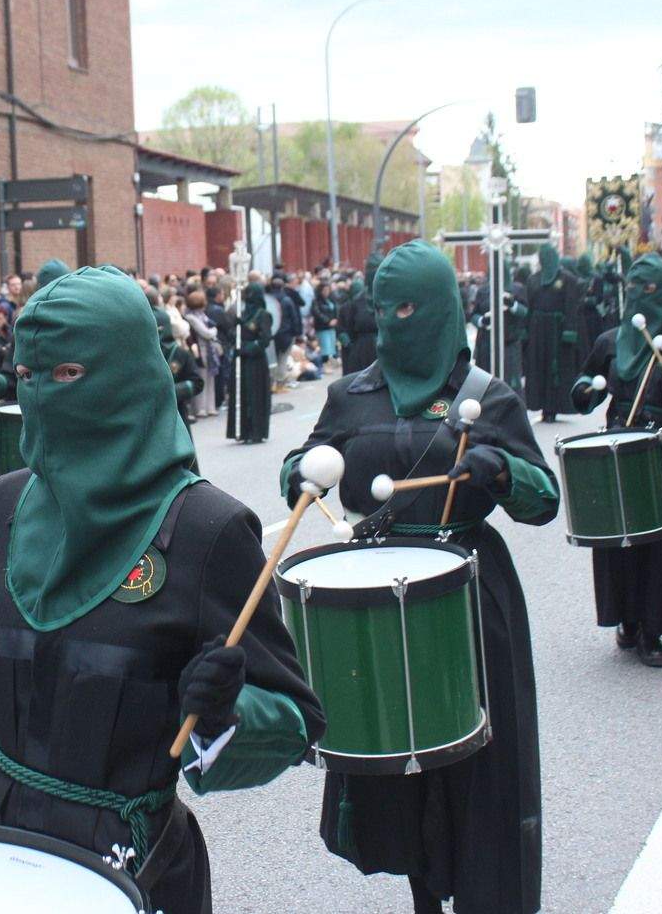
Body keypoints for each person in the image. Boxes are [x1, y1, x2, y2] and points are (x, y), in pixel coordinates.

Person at [0, 266, 324, 914]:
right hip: (0, 839)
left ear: (127, 376)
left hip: (135, 861)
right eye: (26, 376)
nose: (42, 395)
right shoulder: (7, 503)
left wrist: (225, 714)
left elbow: (294, 719)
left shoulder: (209, 529)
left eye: (67, 375)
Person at [282, 241, 556, 914]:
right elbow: (305, 460)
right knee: (397, 768)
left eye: (405, 308)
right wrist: (299, 470)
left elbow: (543, 498)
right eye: (382, 310)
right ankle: (423, 896)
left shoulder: (485, 396)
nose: (391, 324)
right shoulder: (352, 394)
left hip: (468, 595)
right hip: (373, 597)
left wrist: (501, 470)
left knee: (478, 769)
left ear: (435, 309)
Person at [572, 253, 662, 668]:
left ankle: (655, 628)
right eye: (634, 289)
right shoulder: (610, 342)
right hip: (621, 445)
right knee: (621, 539)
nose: (640, 297)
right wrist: (586, 391)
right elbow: (585, 384)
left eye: (650, 289)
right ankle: (626, 618)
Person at [522, 243, 584, 422]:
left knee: (555, 369)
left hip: (557, 332)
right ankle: (541, 405)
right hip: (537, 331)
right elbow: (529, 307)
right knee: (538, 367)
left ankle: (554, 407)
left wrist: (569, 331)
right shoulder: (533, 280)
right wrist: (525, 331)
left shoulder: (567, 279)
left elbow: (571, 306)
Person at [226, 282, 273, 444]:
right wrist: (235, 329)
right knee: (241, 393)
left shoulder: (263, 315)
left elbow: (264, 340)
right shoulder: (243, 313)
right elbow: (233, 335)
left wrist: (247, 349)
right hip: (240, 361)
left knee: (255, 395)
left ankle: (256, 431)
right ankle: (242, 430)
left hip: (255, 362)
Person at [339, 253, 382, 373]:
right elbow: (345, 329)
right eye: (371, 270)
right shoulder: (356, 302)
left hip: (387, 351)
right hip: (362, 353)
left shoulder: (392, 299)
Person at [184, 290, 220, 418]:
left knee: (210, 378)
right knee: (202, 378)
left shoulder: (202, 315)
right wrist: (214, 330)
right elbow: (206, 333)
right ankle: (200, 408)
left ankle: (210, 407)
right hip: (201, 351)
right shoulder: (191, 317)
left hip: (209, 351)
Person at [312, 280, 341, 370]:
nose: (326, 292)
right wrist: (328, 321)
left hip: (332, 327)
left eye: (328, 290)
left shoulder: (331, 299)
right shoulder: (316, 301)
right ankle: (324, 365)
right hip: (323, 327)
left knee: (332, 346)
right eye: (324, 290)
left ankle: (331, 362)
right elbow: (317, 313)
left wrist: (336, 319)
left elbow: (336, 309)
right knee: (324, 347)